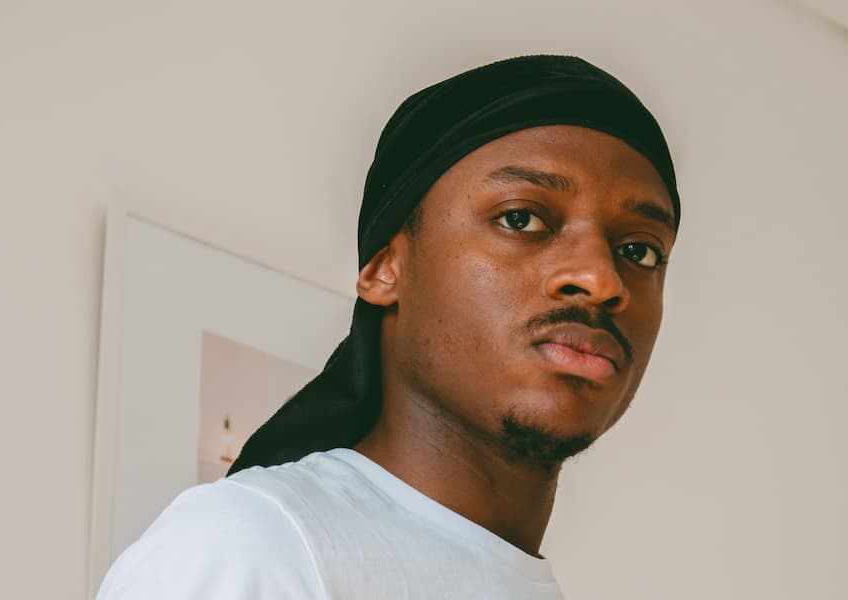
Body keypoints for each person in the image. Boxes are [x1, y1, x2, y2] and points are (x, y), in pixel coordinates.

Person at [97, 54, 680, 599]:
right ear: (384, 270)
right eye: (521, 218)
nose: (602, 278)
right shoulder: (254, 546)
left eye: (641, 250)